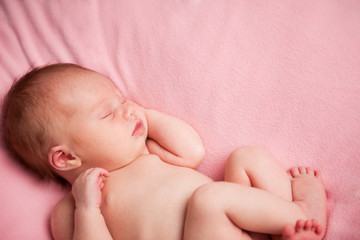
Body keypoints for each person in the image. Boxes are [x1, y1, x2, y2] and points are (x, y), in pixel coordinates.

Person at [2, 63, 327, 240]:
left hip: (240, 226)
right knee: (210, 199)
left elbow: (193, 150)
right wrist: (88, 208)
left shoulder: (148, 153)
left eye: (122, 98)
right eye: (107, 112)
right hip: (207, 227)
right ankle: (302, 211)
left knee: (247, 157)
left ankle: (292, 225)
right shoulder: (71, 209)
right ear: (66, 158)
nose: (127, 109)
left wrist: (141, 114)